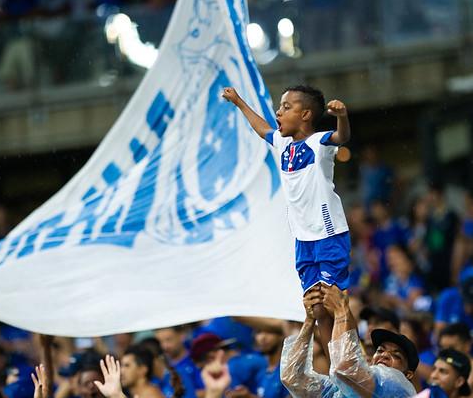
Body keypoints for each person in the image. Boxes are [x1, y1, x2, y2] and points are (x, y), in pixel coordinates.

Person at [223, 85, 351, 354]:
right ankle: (335, 369)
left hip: (328, 234)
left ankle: (352, 361)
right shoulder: (282, 144)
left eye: (285, 107)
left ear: (305, 114)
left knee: (334, 302)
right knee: (316, 308)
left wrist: (341, 115)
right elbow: (261, 128)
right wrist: (239, 102)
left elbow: (342, 136)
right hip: (303, 239)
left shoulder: (320, 143)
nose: (278, 112)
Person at [280, 286, 417, 397]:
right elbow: (292, 378)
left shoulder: (399, 387)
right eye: (380, 350)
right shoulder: (345, 390)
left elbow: (344, 368)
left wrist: (341, 310)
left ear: (408, 374)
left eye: (396, 355)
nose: (384, 355)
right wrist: (310, 319)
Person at [438, 323, 473, 398]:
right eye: (443, 348)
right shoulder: (439, 369)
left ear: (467, 345)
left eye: (452, 348)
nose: (447, 353)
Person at [154, 326, 199, 398]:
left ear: (181, 336)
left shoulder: (197, 360)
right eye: (160, 342)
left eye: (168, 340)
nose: (164, 346)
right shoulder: (159, 367)